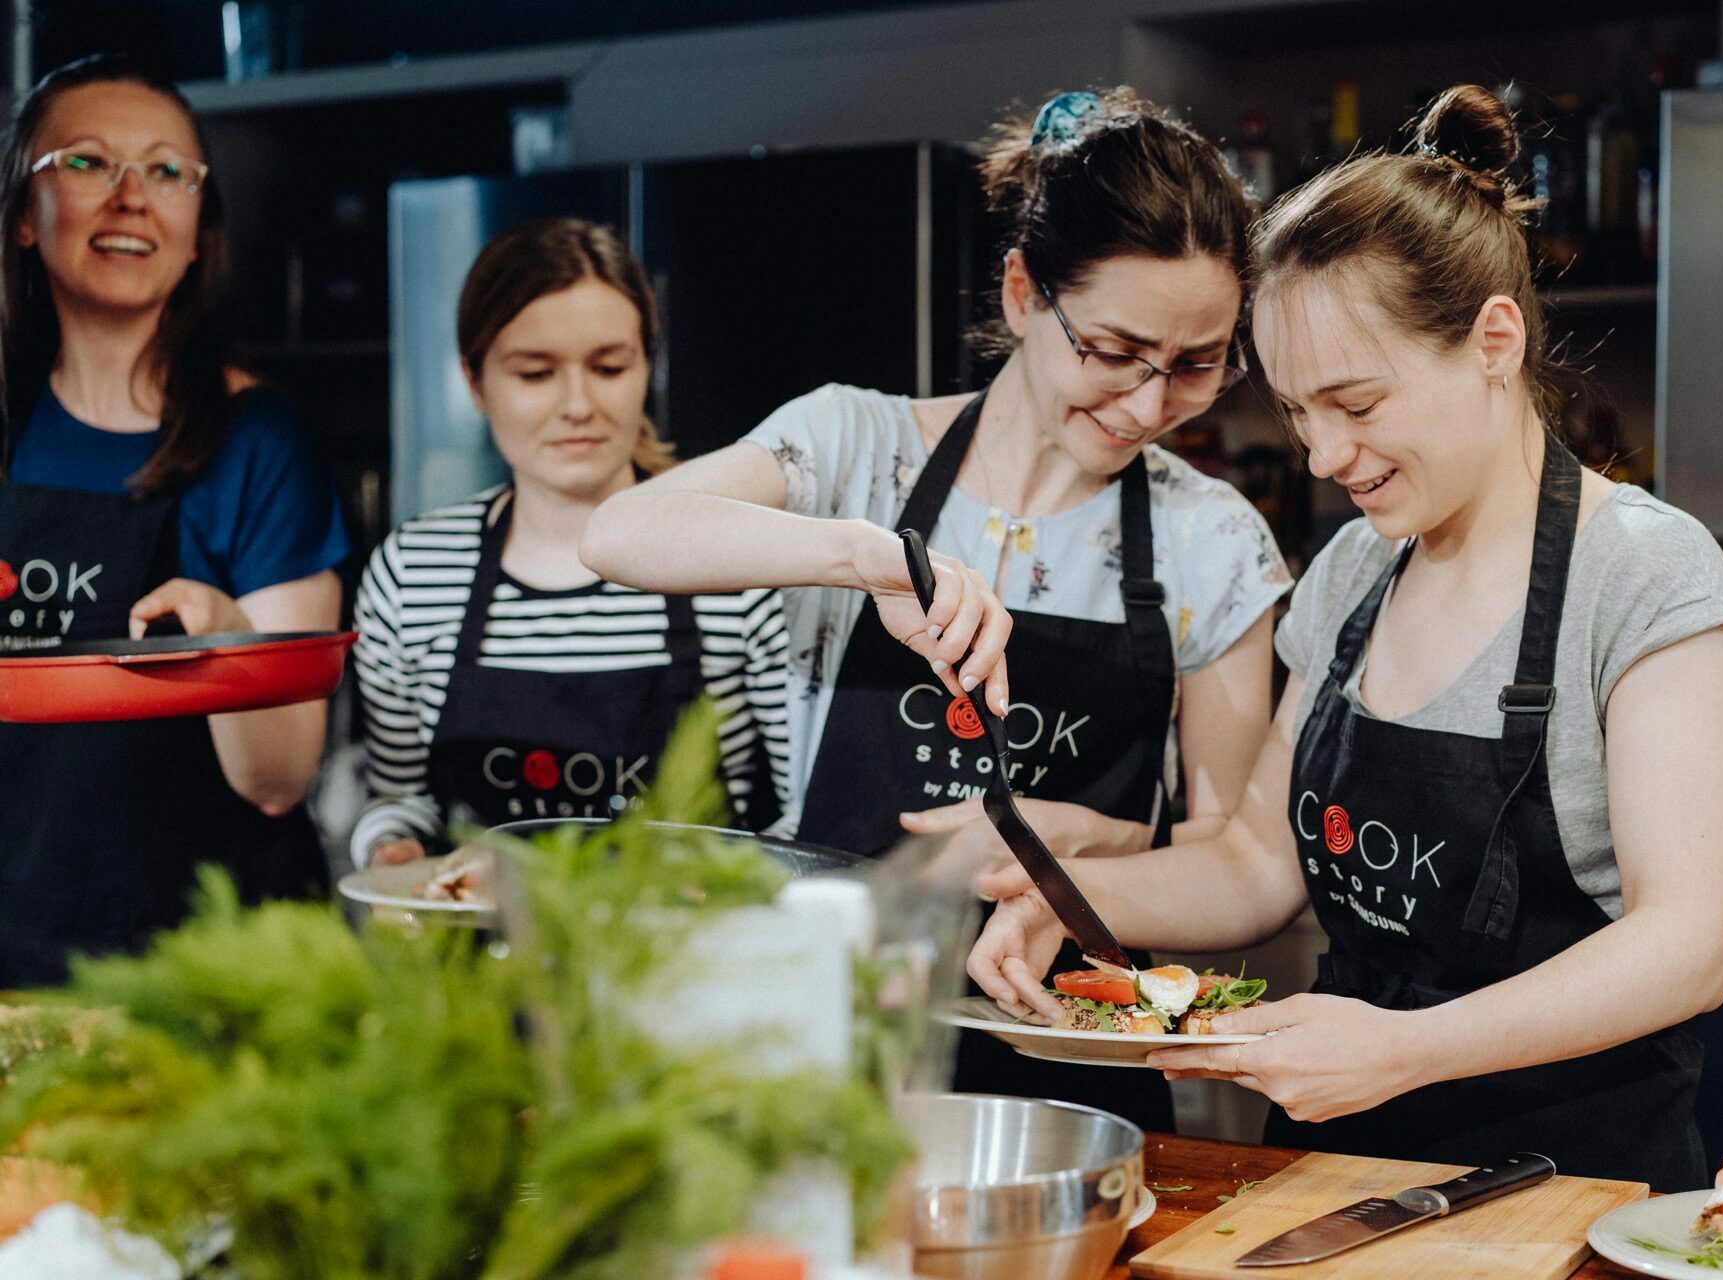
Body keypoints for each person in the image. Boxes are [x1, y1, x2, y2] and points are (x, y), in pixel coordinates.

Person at [968, 85, 1723, 1189]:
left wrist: (1401, 1050)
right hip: (1329, 1172)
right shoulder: (1353, 570)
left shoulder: (1645, 576)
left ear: (1494, 339)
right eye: (1298, 411)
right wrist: (1064, 896)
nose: (1324, 455)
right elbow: (1255, 860)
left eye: (1356, 402)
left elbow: (1688, 947)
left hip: (1567, 1185)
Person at [582, 88, 1291, 1130]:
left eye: (1195, 365)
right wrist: (863, 555)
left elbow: (1235, 856)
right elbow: (621, 534)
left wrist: (1088, 840)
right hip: (818, 1040)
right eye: (1113, 350)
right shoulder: (854, 449)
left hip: (1074, 1066)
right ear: (1019, 294)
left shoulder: (1213, 540)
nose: (1150, 406)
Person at [0, 56, 349, 985]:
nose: (131, 197)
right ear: (22, 218)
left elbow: (278, 781)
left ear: (198, 233)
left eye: (167, 171)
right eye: (86, 162)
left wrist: (231, 643)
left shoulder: (258, 440)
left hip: (208, 963)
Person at [351, 218, 789, 869]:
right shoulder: (412, 575)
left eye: (609, 366)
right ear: (475, 381)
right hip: (476, 962)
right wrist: (393, 849)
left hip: (688, 955)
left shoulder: (742, 561)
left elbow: (803, 814)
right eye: (535, 373)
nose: (578, 404)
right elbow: (399, 797)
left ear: (647, 367)